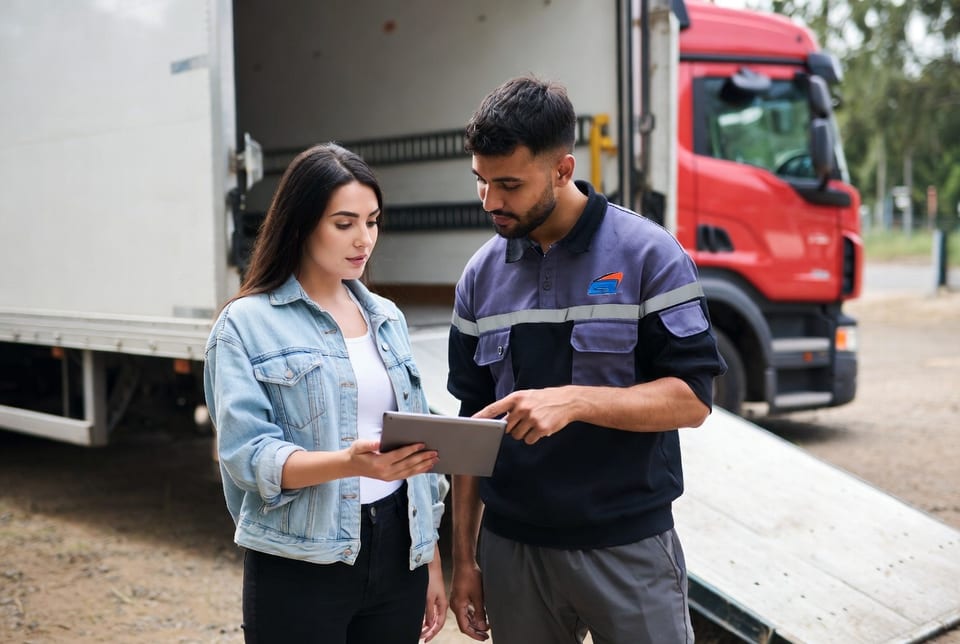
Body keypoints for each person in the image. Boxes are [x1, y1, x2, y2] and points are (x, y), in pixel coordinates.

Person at [447, 76, 727, 644]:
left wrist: (575, 401)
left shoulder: (650, 254)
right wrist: (465, 560)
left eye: (509, 184)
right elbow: (469, 428)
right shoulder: (479, 275)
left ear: (562, 169)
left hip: (627, 548)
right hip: (513, 551)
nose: (491, 202)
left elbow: (693, 400)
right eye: (481, 182)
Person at [203, 143, 448, 644]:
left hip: (399, 551)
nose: (364, 240)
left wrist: (430, 560)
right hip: (300, 560)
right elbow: (248, 457)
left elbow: (420, 457)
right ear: (301, 224)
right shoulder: (245, 325)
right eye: (344, 223)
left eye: (373, 221)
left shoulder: (387, 316)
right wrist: (350, 464)